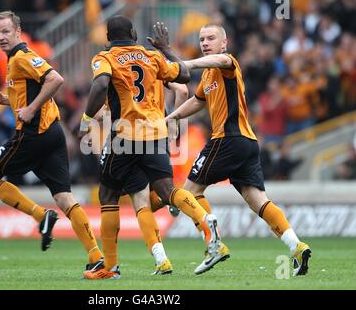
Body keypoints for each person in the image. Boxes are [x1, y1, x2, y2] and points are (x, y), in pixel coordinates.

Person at [165, 24, 312, 276]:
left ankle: (215, 246)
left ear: (224, 42)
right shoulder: (210, 76)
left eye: (211, 38)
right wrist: (173, 117)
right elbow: (197, 101)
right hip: (246, 144)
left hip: (227, 139)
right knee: (258, 202)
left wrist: (187, 64)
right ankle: (296, 246)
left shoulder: (227, 62)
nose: (205, 42)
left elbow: (220, 60)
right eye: (201, 39)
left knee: (189, 192)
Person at [79, 15, 217, 280]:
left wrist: (86, 118)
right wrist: (165, 48)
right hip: (156, 135)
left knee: (108, 196)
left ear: (108, 38)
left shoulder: (104, 58)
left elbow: (100, 84)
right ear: (133, 32)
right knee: (167, 190)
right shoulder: (152, 57)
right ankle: (205, 222)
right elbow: (185, 75)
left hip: (125, 136)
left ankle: (110, 267)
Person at [0, 11, 104, 271]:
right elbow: (28, 94)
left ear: (17, 32)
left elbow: (55, 78)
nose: (1, 37)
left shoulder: (22, 56)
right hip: (53, 133)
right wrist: (4, 100)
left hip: (33, 134)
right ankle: (96, 257)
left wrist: (33, 109)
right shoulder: (15, 60)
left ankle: (40, 215)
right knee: (64, 198)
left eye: (5, 31)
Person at [95, 80, 189, 275]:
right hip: (155, 137)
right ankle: (161, 257)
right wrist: (174, 123)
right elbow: (181, 89)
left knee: (118, 198)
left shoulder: (117, 74)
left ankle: (111, 266)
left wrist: (93, 116)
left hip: (126, 142)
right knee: (147, 199)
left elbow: (100, 114)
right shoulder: (153, 68)